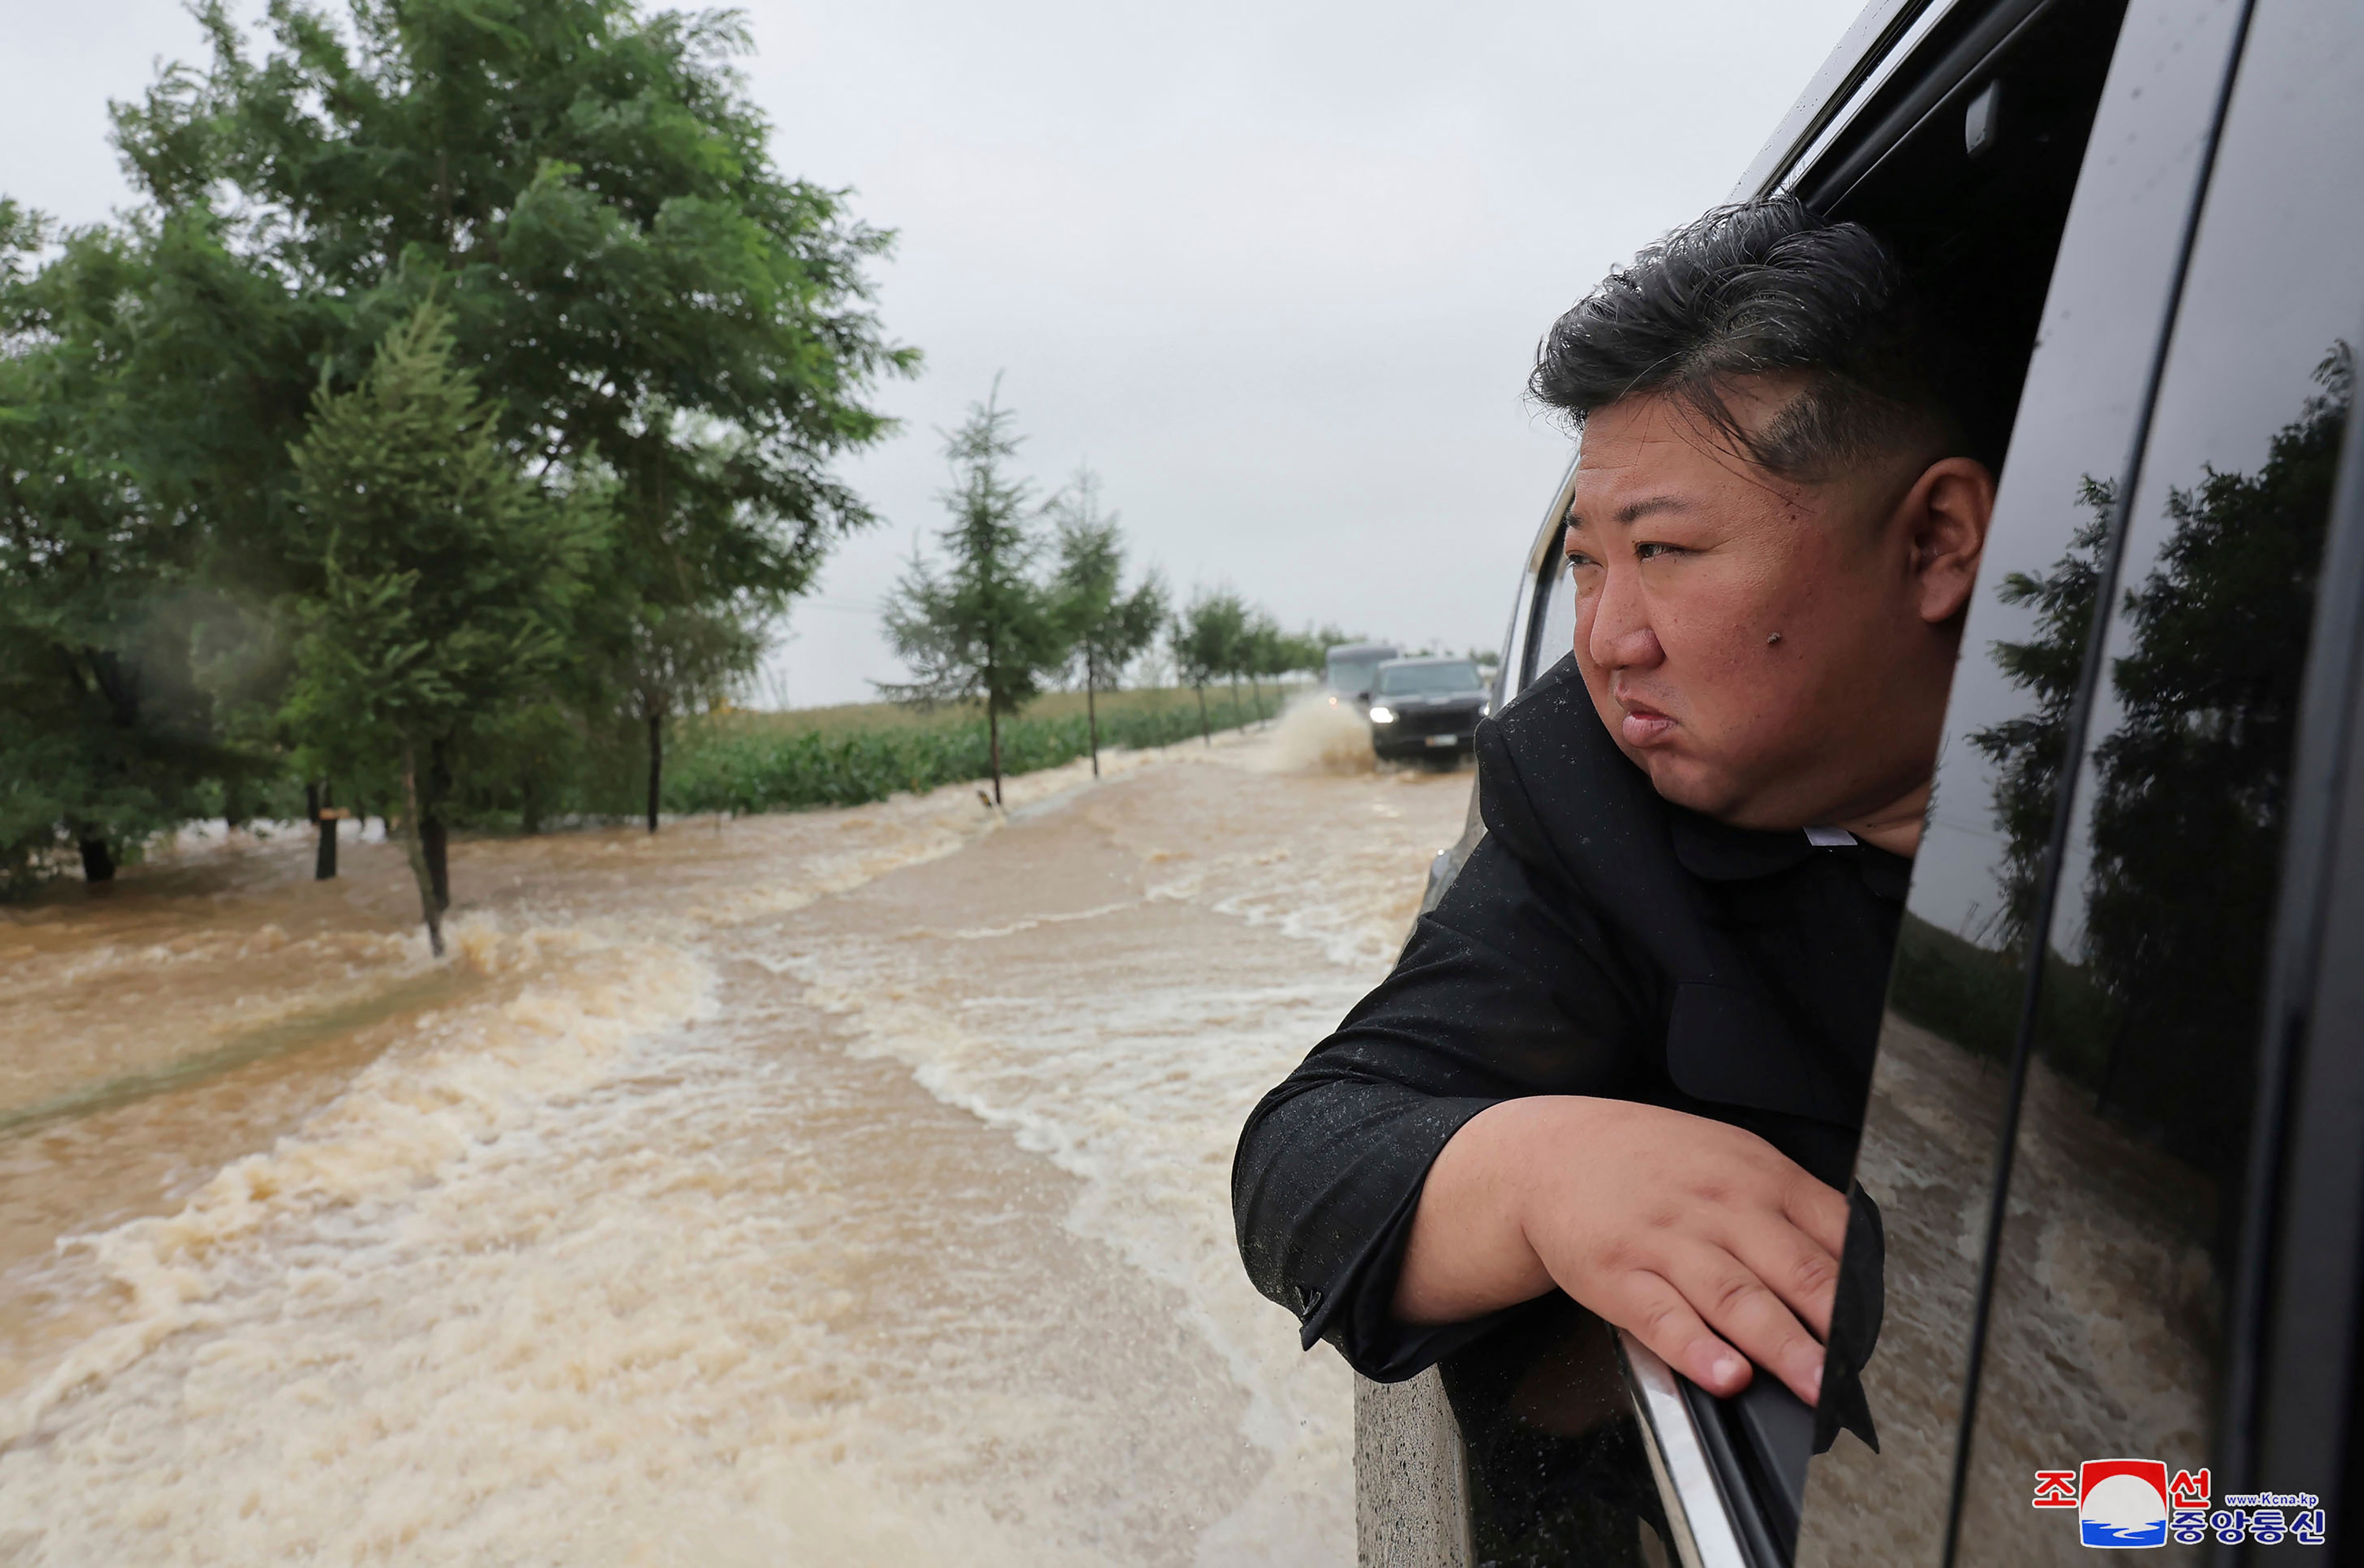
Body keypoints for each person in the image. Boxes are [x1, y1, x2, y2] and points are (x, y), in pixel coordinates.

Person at [1230, 199, 1997, 1434]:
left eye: (1667, 554)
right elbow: (1306, 1165)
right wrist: (1533, 1175)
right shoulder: (1590, 797)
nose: (1605, 641)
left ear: (1935, 544)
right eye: (1588, 562)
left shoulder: (2212, 800)